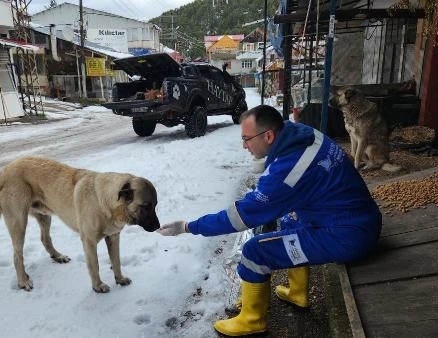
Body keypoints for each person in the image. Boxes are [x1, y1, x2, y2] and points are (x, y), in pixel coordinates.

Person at [158, 104, 382, 336]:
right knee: (287, 218)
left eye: (246, 139)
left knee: (256, 251)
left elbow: (240, 218)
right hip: (357, 218)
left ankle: (252, 320)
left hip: (347, 236)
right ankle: (298, 293)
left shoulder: (286, 175)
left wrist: (188, 227)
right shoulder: (303, 132)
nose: (244, 145)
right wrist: (269, 161)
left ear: (268, 135)